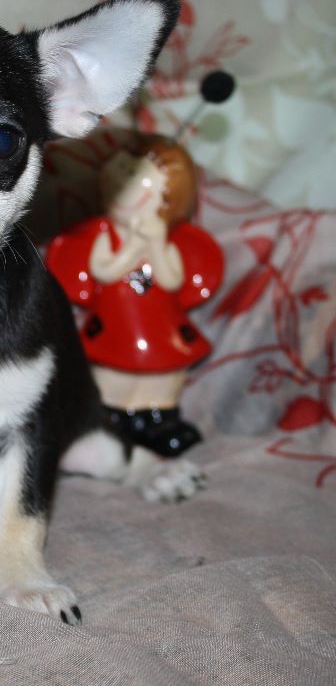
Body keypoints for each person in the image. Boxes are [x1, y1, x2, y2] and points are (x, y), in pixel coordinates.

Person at [46, 135, 223, 456]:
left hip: (160, 329)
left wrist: (154, 244)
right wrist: (133, 248)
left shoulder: (166, 241)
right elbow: (104, 270)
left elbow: (172, 279)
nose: (120, 179)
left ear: (166, 198)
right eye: (121, 169)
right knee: (108, 375)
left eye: (132, 173)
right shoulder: (105, 235)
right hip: (116, 326)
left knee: (163, 378)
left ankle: (159, 418)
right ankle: (109, 417)